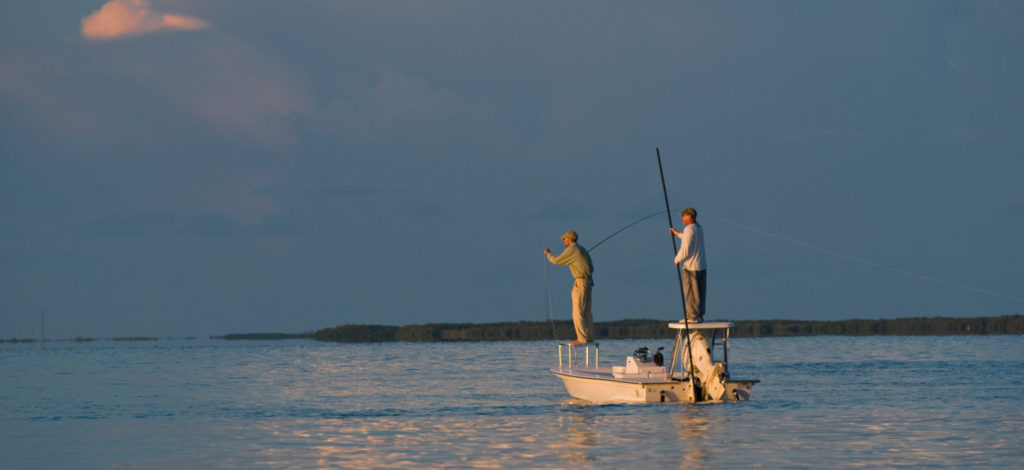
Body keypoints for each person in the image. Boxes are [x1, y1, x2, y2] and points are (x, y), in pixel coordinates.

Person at [544, 230, 595, 344]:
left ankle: (582, 338)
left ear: (570, 239)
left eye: (564, 239)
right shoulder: (582, 249)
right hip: (588, 282)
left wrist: (548, 254)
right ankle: (589, 336)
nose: (563, 241)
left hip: (580, 282)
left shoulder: (571, 250)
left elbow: (557, 261)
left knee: (577, 311)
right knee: (587, 311)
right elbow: (591, 267)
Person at [669, 207, 706, 323]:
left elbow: (686, 249)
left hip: (691, 267)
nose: (682, 218)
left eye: (683, 216)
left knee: (690, 292)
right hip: (701, 266)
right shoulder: (698, 227)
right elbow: (689, 239)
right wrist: (677, 234)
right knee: (699, 293)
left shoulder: (688, 229)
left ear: (690, 216)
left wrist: (677, 259)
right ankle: (698, 315)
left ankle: (692, 316)